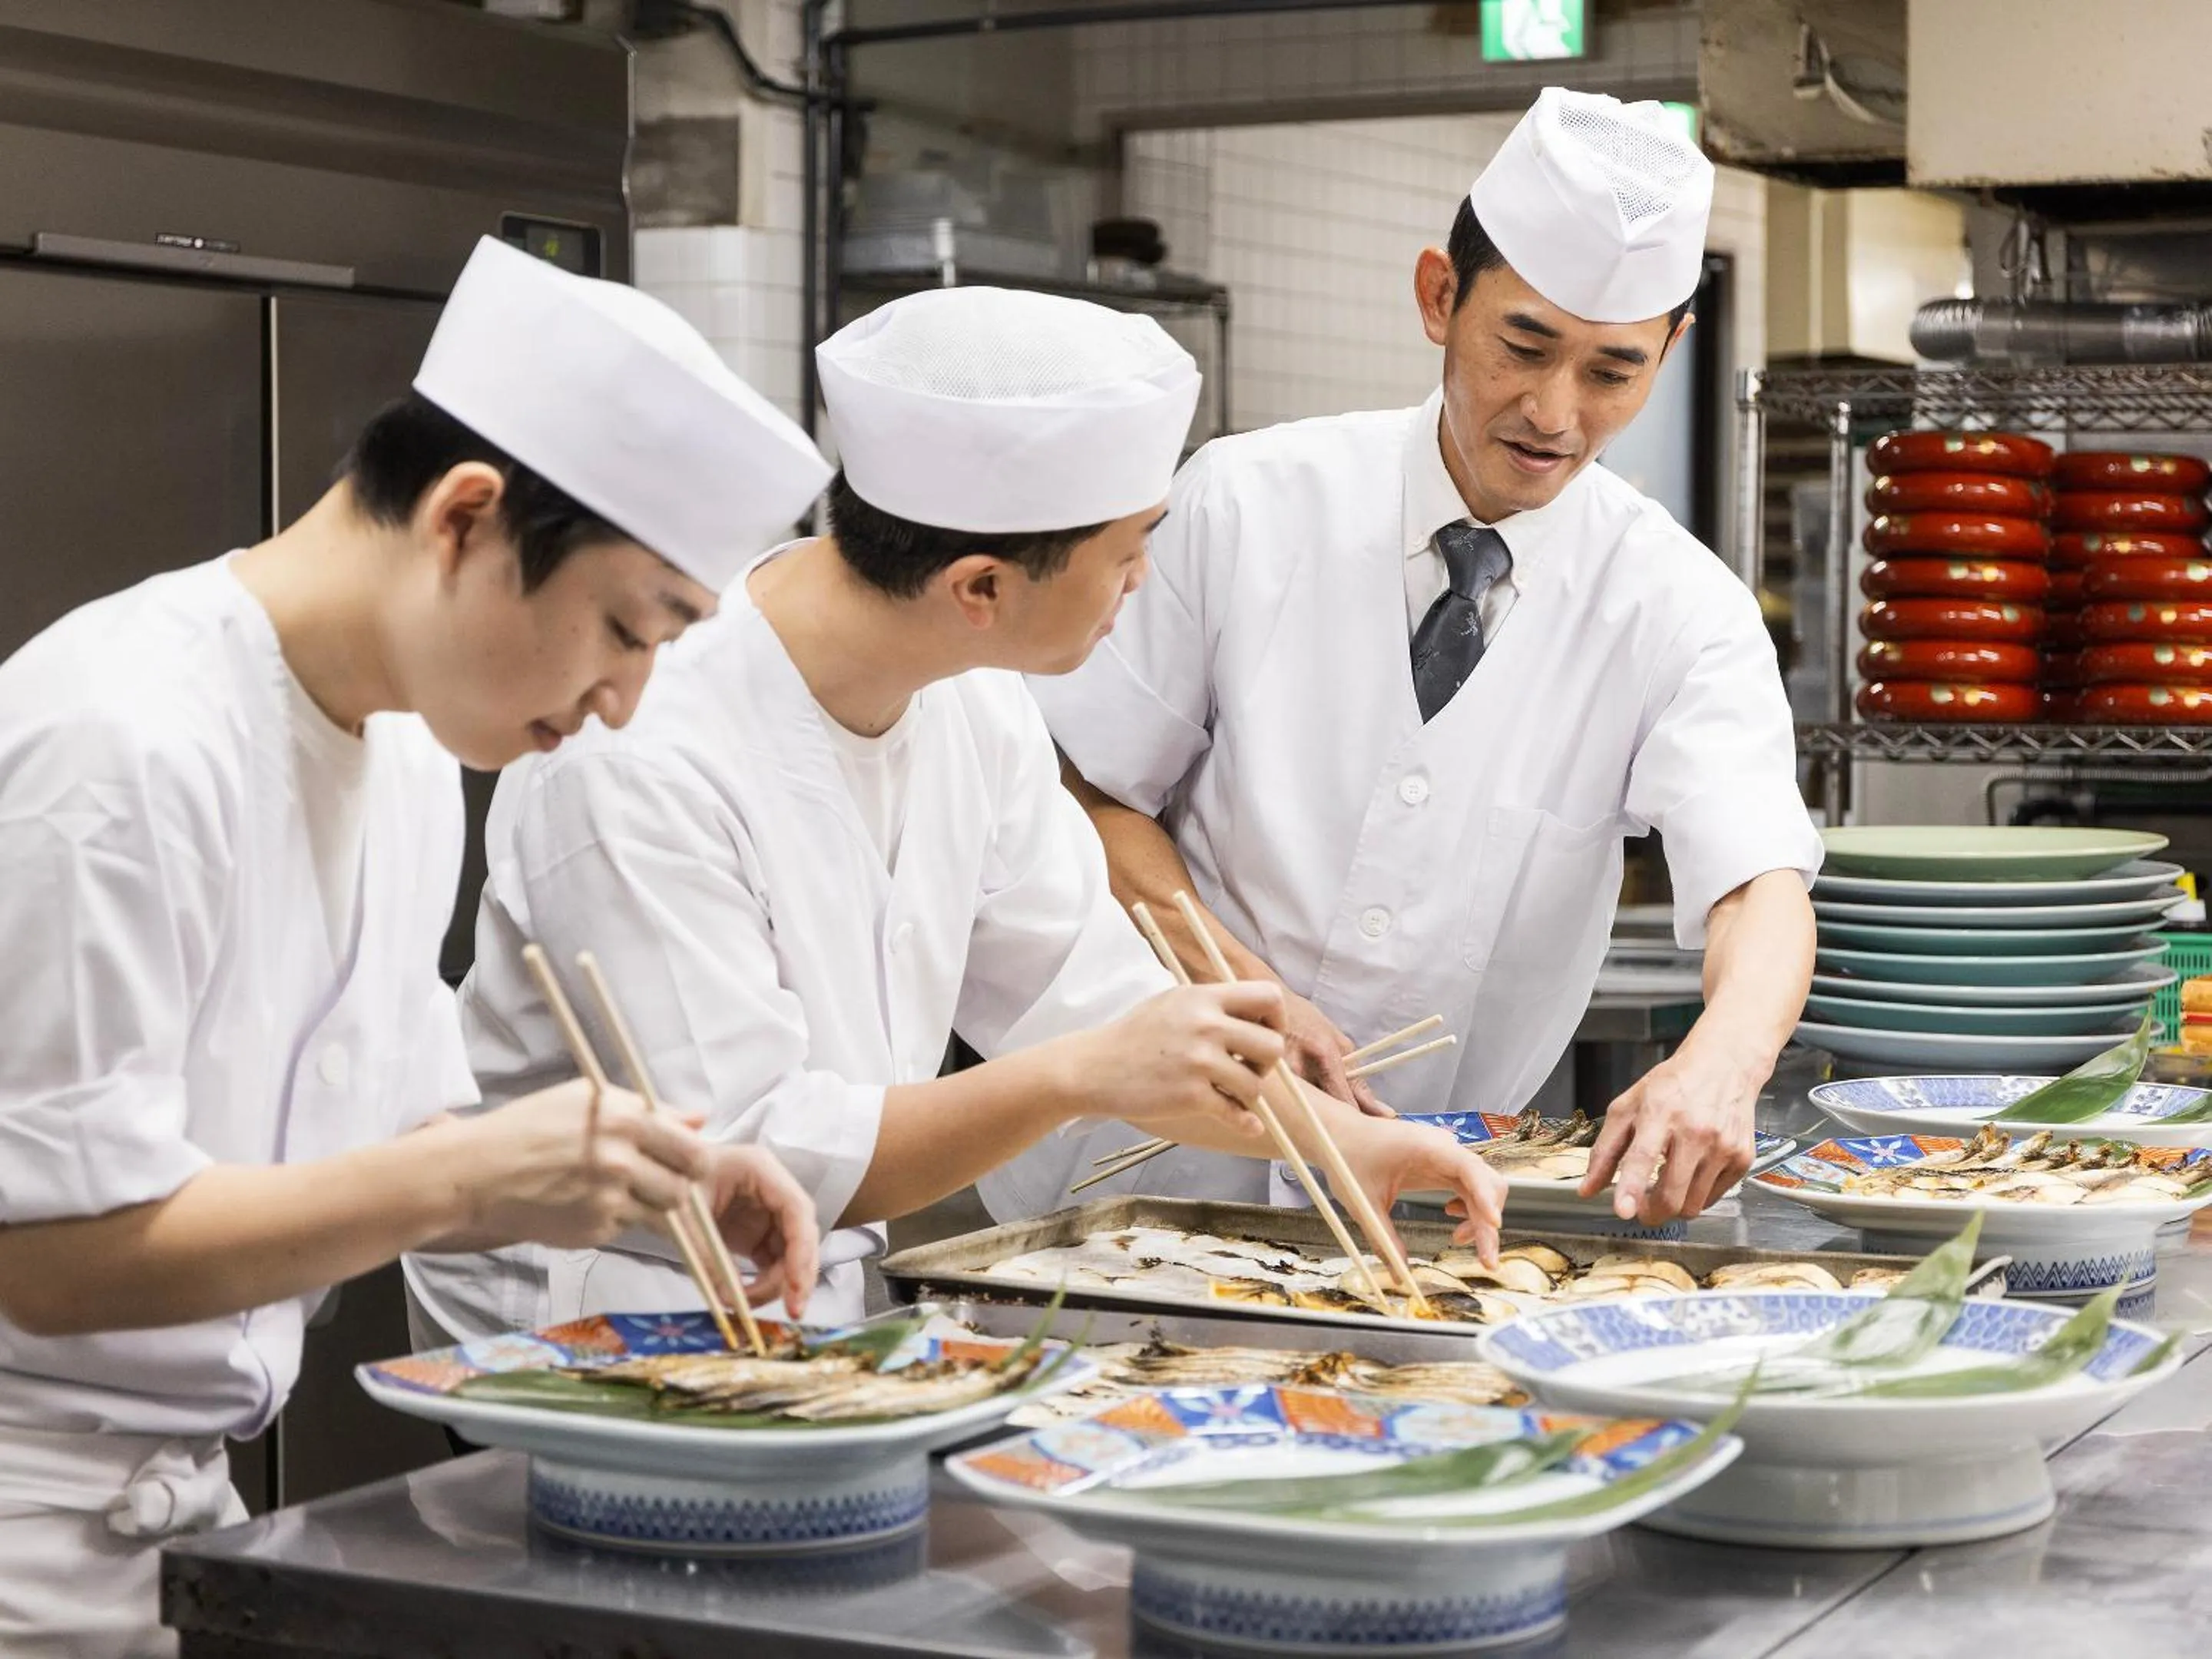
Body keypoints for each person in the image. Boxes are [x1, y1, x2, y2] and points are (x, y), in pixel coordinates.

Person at [0, 237, 830, 1659]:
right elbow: (47, 1259)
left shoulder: (403, 757)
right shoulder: (122, 740)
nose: (624, 702)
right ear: (464, 518)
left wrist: (639, 1181)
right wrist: (464, 1175)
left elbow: (386, 1146)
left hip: (178, 1521)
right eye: (627, 631)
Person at [405, 286, 1506, 1345]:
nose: (1142, 579)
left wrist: (1342, 1145)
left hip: (812, 1297)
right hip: (584, 1323)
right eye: (1128, 548)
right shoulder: (642, 753)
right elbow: (747, 1150)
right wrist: (1080, 1075)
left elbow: (1090, 1001)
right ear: (980, 588)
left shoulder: (976, 702)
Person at [1031, 88, 1823, 1228]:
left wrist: (1725, 1061)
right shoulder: (1247, 502)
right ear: (1439, 297)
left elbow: (1758, 883)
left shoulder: (1680, 607)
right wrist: (1237, 985)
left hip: (1426, 1206)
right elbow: (1087, 792)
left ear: (1670, 352)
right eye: (1523, 347)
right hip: (1138, 1164)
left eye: (1612, 373)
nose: (1553, 412)